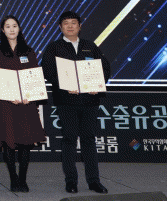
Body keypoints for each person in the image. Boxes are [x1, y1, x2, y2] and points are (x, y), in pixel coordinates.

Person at [41, 11, 111, 195]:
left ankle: (94, 181)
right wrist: (64, 85)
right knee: (69, 139)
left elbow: (104, 68)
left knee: (89, 140)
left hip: (89, 100)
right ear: (60, 27)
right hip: (66, 101)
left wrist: (98, 85)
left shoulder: (90, 46)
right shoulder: (54, 47)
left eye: (74, 23)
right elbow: (48, 71)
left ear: (80, 26)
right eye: (66, 23)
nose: (70, 26)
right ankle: (71, 181)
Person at [0, 16, 46, 193]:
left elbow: (34, 74)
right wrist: (11, 94)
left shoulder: (28, 50)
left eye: (14, 26)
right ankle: (13, 178)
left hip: (26, 103)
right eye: (8, 26)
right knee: (8, 141)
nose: (12, 29)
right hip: (6, 102)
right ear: (2, 30)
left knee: (25, 142)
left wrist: (29, 95)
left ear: (19, 28)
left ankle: (23, 178)